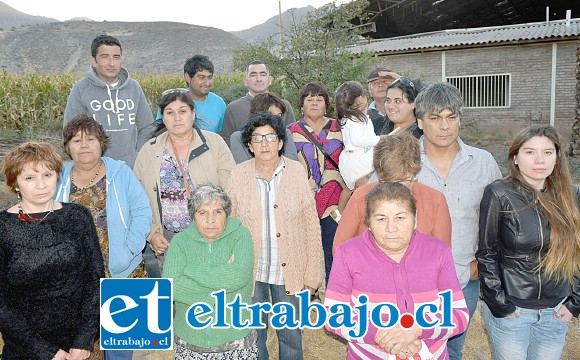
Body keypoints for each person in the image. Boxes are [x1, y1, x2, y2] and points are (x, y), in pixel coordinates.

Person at [326, 182, 469, 359]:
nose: (391, 228)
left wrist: (418, 329)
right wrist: (383, 336)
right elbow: (335, 315)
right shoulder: (348, 253)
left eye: (400, 218)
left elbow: (459, 314)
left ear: (415, 219)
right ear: (368, 222)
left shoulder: (438, 251)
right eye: (381, 219)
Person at [414, 82, 502, 360]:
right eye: (435, 117)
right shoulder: (402, 159)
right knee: (410, 347)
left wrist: (482, 262)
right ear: (420, 121)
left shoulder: (483, 162)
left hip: (464, 278)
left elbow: (500, 218)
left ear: (460, 120)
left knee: (452, 349)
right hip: (410, 282)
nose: (444, 126)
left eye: (451, 117)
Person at [476, 125, 580, 360]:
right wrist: (501, 305)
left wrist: (574, 303)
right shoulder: (498, 193)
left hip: (556, 312)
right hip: (514, 311)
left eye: (548, 152)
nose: (539, 160)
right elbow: (486, 252)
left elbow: (577, 252)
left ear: (557, 157)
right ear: (515, 157)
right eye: (530, 152)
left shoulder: (571, 196)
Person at [227, 112, 323, 360]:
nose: (265, 144)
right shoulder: (238, 175)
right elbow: (229, 226)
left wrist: (313, 275)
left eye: (270, 137)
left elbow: (311, 224)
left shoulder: (296, 172)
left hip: (289, 269)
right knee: (252, 333)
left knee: (291, 334)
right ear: (249, 145)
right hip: (251, 270)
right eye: (257, 138)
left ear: (281, 142)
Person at [55, 114, 152, 359]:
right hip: (75, 278)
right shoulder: (58, 178)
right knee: (77, 346)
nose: (84, 145)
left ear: (102, 143)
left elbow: (142, 210)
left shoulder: (121, 172)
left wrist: (131, 248)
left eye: (91, 139)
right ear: (67, 147)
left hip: (122, 271)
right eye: (76, 140)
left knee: (121, 348)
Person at [0, 142, 104, 360]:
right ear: (15, 183)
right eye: (29, 178)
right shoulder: (3, 227)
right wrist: (46, 351)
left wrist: (84, 339)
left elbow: (94, 279)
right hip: (24, 348)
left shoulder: (78, 216)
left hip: (77, 348)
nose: (41, 185)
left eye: (47, 175)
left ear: (58, 176)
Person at [134, 90, 235, 271]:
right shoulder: (149, 151)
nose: (177, 118)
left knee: (210, 292)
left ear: (193, 114)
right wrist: (152, 233)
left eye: (183, 111)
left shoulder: (214, 144)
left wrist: (223, 232)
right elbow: (137, 200)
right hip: (169, 239)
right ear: (163, 118)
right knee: (176, 292)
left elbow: (232, 191)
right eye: (170, 113)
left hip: (210, 234)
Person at [163, 184, 257, 359]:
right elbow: (171, 286)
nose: (210, 220)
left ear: (227, 214)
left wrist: (190, 270)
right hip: (189, 341)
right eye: (202, 213)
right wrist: (219, 289)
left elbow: (238, 277)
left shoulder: (241, 235)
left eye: (218, 212)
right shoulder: (180, 241)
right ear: (193, 216)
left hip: (236, 341)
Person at [333, 132, 451, 252]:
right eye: (387, 181)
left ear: (414, 173)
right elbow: (339, 250)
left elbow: (442, 254)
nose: (395, 188)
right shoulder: (361, 197)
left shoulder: (435, 200)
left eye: (402, 181)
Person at [288, 82, 349, 285]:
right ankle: (309, 294)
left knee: (334, 248)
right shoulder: (290, 132)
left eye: (319, 99)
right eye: (309, 99)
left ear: (326, 104)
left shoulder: (340, 128)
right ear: (301, 105)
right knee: (307, 249)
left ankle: (334, 293)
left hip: (336, 200)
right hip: (303, 200)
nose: (314, 103)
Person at [63, 34, 155, 168]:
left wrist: (137, 154)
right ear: (93, 61)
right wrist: (90, 160)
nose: (111, 63)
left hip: (131, 168)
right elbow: (70, 132)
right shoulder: (81, 89)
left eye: (116, 57)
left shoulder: (133, 88)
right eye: (105, 57)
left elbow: (148, 127)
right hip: (95, 168)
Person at [220, 60, 295, 145]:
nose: (259, 79)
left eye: (263, 74)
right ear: (245, 81)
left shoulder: (284, 105)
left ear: (269, 80)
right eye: (253, 75)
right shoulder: (234, 108)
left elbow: (292, 136)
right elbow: (226, 140)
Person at [156, 55, 226, 133]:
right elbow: (160, 133)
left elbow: (222, 135)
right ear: (188, 77)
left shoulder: (219, 103)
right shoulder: (171, 102)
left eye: (209, 77)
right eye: (201, 77)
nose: (207, 83)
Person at [335, 81, 380, 190]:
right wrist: (379, 139)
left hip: (355, 159)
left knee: (350, 190)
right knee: (365, 189)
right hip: (360, 162)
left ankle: (341, 208)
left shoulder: (349, 118)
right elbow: (357, 140)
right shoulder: (356, 119)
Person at [229, 92, 298, 163]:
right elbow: (242, 167)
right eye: (271, 115)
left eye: (279, 116)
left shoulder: (285, 133)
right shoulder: (238, 137)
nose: (275, 120)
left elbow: (292, 162)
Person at [367, 67, 400, 135]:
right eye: (375, 83)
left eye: (385, 81)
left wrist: (402, 80)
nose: (381, 85)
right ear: (370, 92)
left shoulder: (407, 108)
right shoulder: (364, 116)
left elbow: (424, 96)